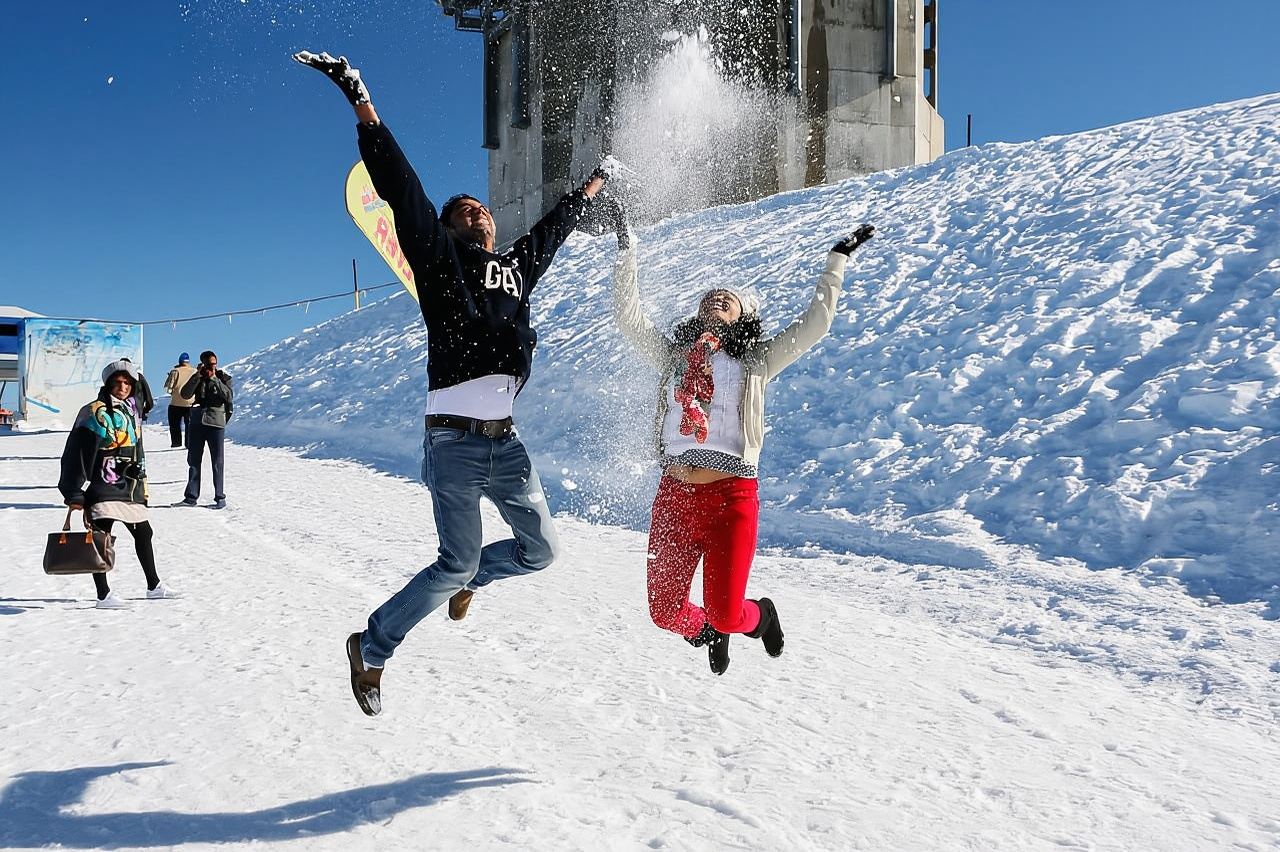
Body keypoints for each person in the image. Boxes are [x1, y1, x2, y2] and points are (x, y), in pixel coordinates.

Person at [294, 49, 616, 716]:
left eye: (483, 210)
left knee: (541, 552)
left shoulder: (515, 268)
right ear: (444, 228)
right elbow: (400, 185)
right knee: (451, 564)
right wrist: (360, 98)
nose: (479, 214)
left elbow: (552, 232)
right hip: (455, 446)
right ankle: (372, 646)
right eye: (466, 210)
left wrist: (593, 187)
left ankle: (474, 580)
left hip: (508, 443)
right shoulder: (438, 260)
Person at [609, 197, 875, 674]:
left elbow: (816, 325)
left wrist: (836, 261)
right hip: (673, 495)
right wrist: (627, 250)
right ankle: (710, 631)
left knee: (731, 613)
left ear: (743, 315)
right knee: (665, 613)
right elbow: (630, 320)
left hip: (731, 497)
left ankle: (759, 617)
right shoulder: (675, 356)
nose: (716, 298)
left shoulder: (757, 361)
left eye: (727, 298)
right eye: (710, 295)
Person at [58, 360, 178, 608]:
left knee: (144, 532)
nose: (123, 387)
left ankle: (153, 585)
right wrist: (73, 491)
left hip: (129, 486)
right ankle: (103, 594)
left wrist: (140, 478)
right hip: (104, 484)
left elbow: (136, 445)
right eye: (117, 382)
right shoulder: (93, 412)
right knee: (102, 536)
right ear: (108, 384)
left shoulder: (131, 411)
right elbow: (75, 452)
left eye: (127, 383)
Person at [179, 350, 232, 509]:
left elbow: (228, 396)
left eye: (214, 364)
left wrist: (214, 378)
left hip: (215, 422)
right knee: (193, 460)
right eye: (209, 364)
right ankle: (191, 497)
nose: (212, 367)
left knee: (217, 462)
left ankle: (219, 497)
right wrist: (197, 376)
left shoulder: (223, 378)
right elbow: (185, 394)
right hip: (197, 421)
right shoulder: (198, 377)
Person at [163, 352, 197, 448]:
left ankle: (176, 443)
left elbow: (169, 387)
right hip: (190, 403)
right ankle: (189, 443)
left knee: (175, 425)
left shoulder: (175, 371)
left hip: (176, 403)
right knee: (189, 425)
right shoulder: (194, 371)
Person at [120, 357, 154, 422]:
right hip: (137, 413)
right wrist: (143, 410)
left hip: (120, 414)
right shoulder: (139, 377)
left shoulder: (115, 380)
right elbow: (149, 399)